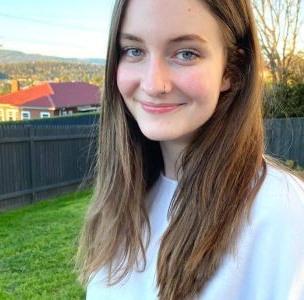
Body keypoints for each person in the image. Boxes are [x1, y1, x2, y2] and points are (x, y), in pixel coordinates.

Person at [76, 0, 304, 299]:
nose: (153, 84)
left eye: (186, 53)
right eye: (134, 51)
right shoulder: (123, 200)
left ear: (231, 71)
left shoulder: (282, 214)